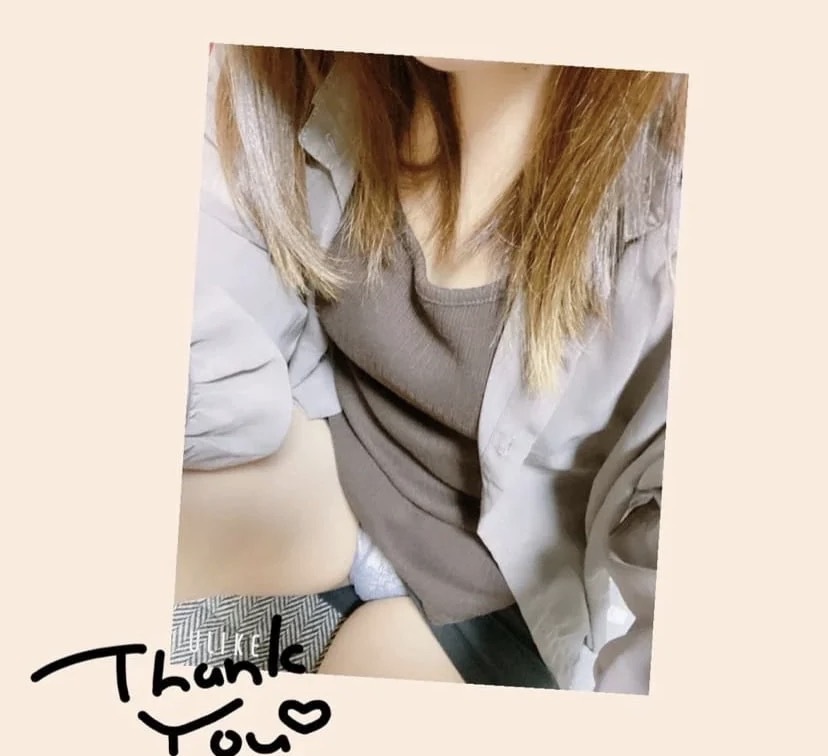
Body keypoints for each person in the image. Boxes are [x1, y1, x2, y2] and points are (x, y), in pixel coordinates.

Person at [180, 43, 686, 694]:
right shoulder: (291, 62)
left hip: (493, 606)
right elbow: (215, 309)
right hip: (320, 455)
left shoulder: (673, 214)